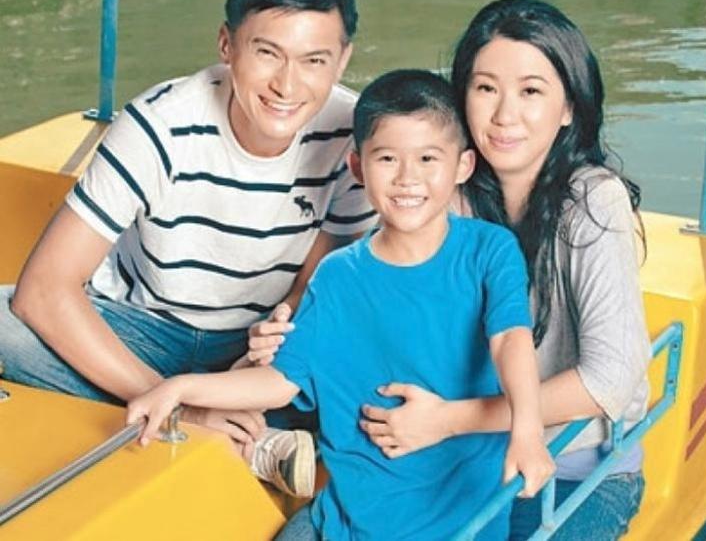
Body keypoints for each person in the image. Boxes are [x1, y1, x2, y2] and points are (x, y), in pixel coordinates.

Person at [0, 0, 376, 497]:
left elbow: (313, 286)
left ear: (342, 60)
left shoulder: (354, 134)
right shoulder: (160, 123)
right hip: (143, 330)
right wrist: (186, 402)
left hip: (255, 346)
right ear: (227, 45)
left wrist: (271, 345)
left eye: (313, 60)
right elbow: (43, 290)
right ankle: (244, 436)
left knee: (375, 355)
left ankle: (237, 424)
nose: (287, 85)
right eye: (266, 53)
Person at [127, 69, 555, 540]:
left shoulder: (489, 250)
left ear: (463, 166)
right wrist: (181, 388)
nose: (407, 178)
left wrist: (527, 429)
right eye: (387, 158)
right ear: (357, 167)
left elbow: (509, 339)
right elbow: (282, 381)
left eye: (428, 158)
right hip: (346, 523)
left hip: (461, 524)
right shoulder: (336, 275)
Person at [358, 0, 650, 540]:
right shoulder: (448, 191)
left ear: (569, 106)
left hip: (572, 468)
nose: (504, 115)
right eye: (486, 88)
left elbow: (610, 379)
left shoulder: (592, 200)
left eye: (531, 91)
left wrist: (450, 419)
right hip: (458, 460)